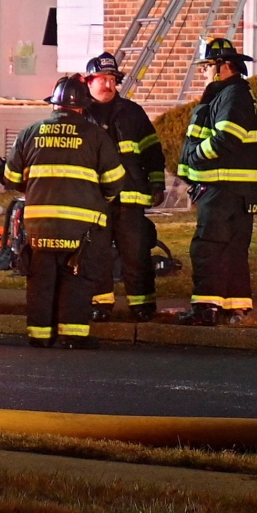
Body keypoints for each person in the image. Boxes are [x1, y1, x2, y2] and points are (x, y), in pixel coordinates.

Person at [4, 74, 123, 349]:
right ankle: (72, 336)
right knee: (77, 279)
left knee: (41, 281)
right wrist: (98, 198)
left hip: (39, 225)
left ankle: (40, 336)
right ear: (82, 106)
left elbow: (11, 178)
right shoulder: (96, 135)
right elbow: (114, 181)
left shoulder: (30, 132)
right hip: (81, 227)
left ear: (54, 105)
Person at [177, 36, 257, 326]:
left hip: (221, 188)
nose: (203, 73)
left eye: (206, 67)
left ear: (222, 66)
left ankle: (206, 308)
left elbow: (227, 137)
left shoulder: (232, 94)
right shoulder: (231, 93)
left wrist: (195, 158)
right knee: (231, 248)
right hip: (234, 190)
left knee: (209, 247)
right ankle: (234, 307)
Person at [84, 51, 167, 321]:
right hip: (94, 200)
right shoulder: (79, 114)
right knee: (96, 254)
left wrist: (156, 183)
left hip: (130, 199)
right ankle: (99, 305)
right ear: (88, 82)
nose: (109, 85)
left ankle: (142, 306)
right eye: (102, 79)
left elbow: (152, 151)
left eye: (113, 79)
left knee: (137, 255)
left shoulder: (132, 112)